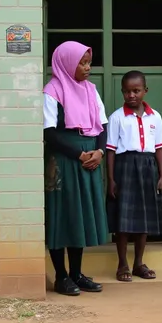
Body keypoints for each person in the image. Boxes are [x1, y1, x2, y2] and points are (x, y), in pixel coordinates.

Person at [43, 41, 109, 296]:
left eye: (88, 62)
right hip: (65, 161)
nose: (87, 68)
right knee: (63, 216)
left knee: (80, 216)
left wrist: (100, 152)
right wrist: (79, 153)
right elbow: (49, 133)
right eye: (82, 63)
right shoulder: (52, 91)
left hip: (90, 159)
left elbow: (102, 126)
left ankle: (77, 274)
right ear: (67, 63)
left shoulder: (91, 90)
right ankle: (60, 276)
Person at [106, 70, 162, 282]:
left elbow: (159, 148)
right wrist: (111, 179)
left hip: (148, 167)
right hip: (125, 167)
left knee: (144, 219)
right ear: (122, 92)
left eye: (136, 91)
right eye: (127, 91)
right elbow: (111, 150)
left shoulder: (155, 116)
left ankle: (138, 262)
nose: (132, 95)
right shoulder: (116, 117)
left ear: (145, 91)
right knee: (123, 220)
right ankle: (122, 263)